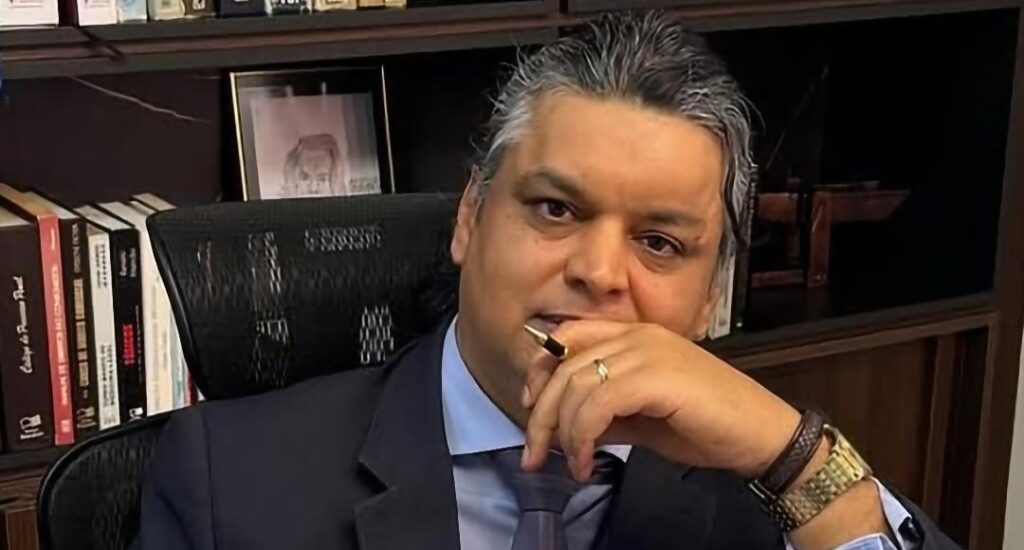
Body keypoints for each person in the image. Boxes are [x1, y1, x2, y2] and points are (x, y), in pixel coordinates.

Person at [133, 11, 961, 550]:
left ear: (712, 297)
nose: (598, 273)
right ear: (470, 217)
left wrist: (797, 465)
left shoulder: (767, 482)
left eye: (660, 243)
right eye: (556, 210)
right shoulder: (228, 481)